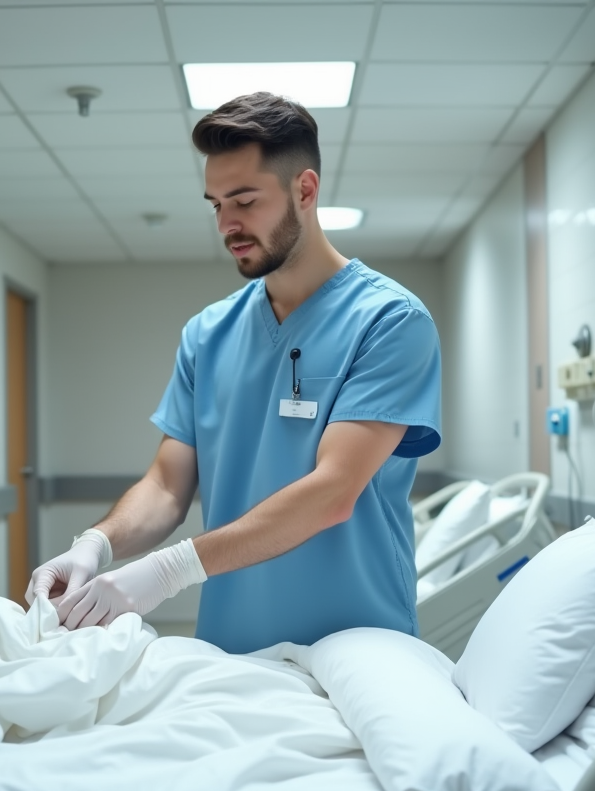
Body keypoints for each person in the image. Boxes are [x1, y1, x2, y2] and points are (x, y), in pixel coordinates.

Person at [26, 92, 442, 654]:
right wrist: (96, 544)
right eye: (216, 204)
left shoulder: (390, 322)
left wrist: (169, 570)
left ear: (306, 190)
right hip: (230, 651)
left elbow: (334, 491)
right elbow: (168, 484)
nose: (227, 223)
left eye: (244, 200)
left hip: (355, 648)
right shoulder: (208, 333)